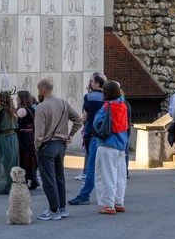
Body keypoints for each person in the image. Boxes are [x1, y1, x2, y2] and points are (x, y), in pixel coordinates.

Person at [34, 78, 82, 221]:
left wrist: (37, 145)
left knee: (48, 179)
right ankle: (62, 208)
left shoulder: (41, 107)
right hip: (61, 144)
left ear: (42, 90)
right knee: (59, 177)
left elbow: (39, 133)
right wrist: (70, 135)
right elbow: (78, 120)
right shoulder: (63, 103)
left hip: (46, 145)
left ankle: (53, 209)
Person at [68, 73, 106, 204]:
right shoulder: (113, 98)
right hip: (110, 135)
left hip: (94, 133)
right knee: (109, 167)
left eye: (91, 81)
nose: (90, 83)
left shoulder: (89, 97)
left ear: (96, 84)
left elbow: (84, 118)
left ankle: (85, 194)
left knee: (91, 166)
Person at [93, 81, 129, 215]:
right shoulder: (123, 105)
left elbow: (97, 123)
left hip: (107, 143)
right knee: (120, 175)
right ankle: (119, 202)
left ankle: (108, 204)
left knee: (107, 175)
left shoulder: (107, 106)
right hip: (121, 144)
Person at [0, 92, 20, 195]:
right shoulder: (14, 110)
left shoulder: (1, 111)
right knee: (12, 161)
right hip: (13, 137)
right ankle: (11, 184)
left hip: (3, 137)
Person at [16, 90, 38, 189]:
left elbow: (17, 124)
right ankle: (33, 178)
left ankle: (24, 179)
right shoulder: (32, 109)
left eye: (18, 97)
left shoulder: (21, 110)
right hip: (30, 135)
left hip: (22, 135)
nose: (16, 99)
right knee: (30, 157)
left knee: (23, 157)